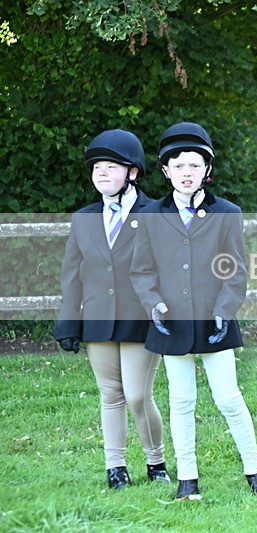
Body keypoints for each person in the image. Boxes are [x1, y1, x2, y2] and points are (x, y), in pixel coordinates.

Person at [130, 122, 257, 500]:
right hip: (172, 321)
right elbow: (141, 271)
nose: (187, 172)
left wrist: (225, 309)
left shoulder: (227, 212)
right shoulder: (150, 215)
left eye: (195, 165)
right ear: (166, 171)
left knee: (228, 397)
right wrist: (153, 304)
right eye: (178, 166)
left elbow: (236, 270)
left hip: (214, 320)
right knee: (181, 401)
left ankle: (255, 469)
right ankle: (187, 479)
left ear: (207, 169)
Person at [54, 129, 170, 490]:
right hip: (98, 317)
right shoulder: (84, 217)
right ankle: (115, 467)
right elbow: (72, 274)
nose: (101, 172)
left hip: (140, 318)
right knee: (110, 394)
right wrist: (68, 322)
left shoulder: (156, 213)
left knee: (137, 395)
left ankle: (156, 461)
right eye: (97, 167)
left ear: (132, 172)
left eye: (111, 166)